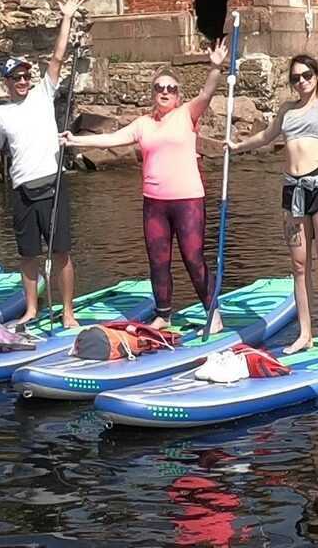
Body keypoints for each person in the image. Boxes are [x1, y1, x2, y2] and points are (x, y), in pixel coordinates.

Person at [61, 39, 231, 335]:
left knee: (193, 257)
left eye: (171, 89)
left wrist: (215, 67)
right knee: (158, 259)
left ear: (178, 96)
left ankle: (211, 311)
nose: (165, 92)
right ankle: (163, 314)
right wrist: (76, 140)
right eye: (159, 88)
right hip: (155, 203)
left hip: (188, 200)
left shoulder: (187, 114)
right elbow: (111, 139)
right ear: (153, 93)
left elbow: (207, 91)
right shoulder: (143, 124)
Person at [228, 0, 318, 356]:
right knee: (298, 267)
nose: (300, 82)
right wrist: (236, 147)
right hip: (292, 191)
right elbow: (267, 137)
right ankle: (305, 334)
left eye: (306, 76)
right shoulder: (286, 109)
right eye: (295, 78)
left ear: (316, 78)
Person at [0, 0, 82, 329]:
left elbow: (57, 57)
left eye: (27, 76)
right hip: (22, 190)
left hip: (52, 185)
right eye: (18, 77)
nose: (24, 81)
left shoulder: (43, 93)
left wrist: (66, 17)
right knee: (27, 255)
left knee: (61, 252)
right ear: (7, 82)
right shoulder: (0, 114)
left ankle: (67, 312)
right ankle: (30, 309)